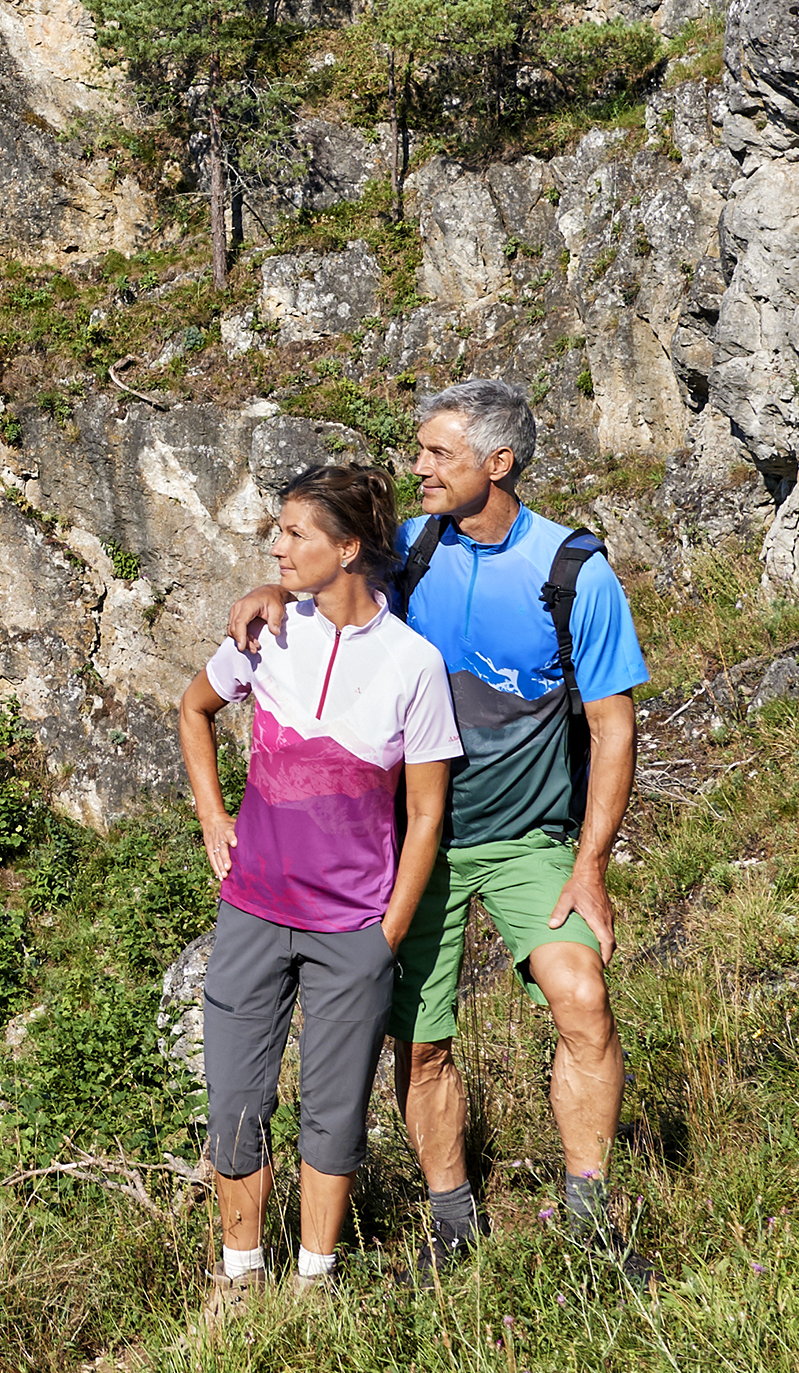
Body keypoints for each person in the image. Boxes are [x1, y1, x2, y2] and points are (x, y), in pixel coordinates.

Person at [226, 379, 653, 1283]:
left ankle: (591, 1224)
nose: (417, 468)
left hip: (530, 839)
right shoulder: (412, 550)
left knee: (581, 997)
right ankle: (451, 1223)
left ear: (496, 465)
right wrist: (270, 584)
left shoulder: (572, 572)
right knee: (420, 1045)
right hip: (412, 844)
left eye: (436, 454)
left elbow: (612, 727)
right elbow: (326, 577)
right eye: (419, 452)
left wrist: (590, 868)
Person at [177, 463, 456, 1302]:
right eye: (279, 530)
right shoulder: (266, 635)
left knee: (333, 1111)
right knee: (234, 1100)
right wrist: (211, 818)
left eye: (296, 532)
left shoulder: (414, 664)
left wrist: (389, 931)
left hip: (352, 930)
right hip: (252, 912)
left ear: (351, 546)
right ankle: (238, 1278)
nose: (277, 545)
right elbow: (193, 710)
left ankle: (315, 1284)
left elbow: (427, 815)